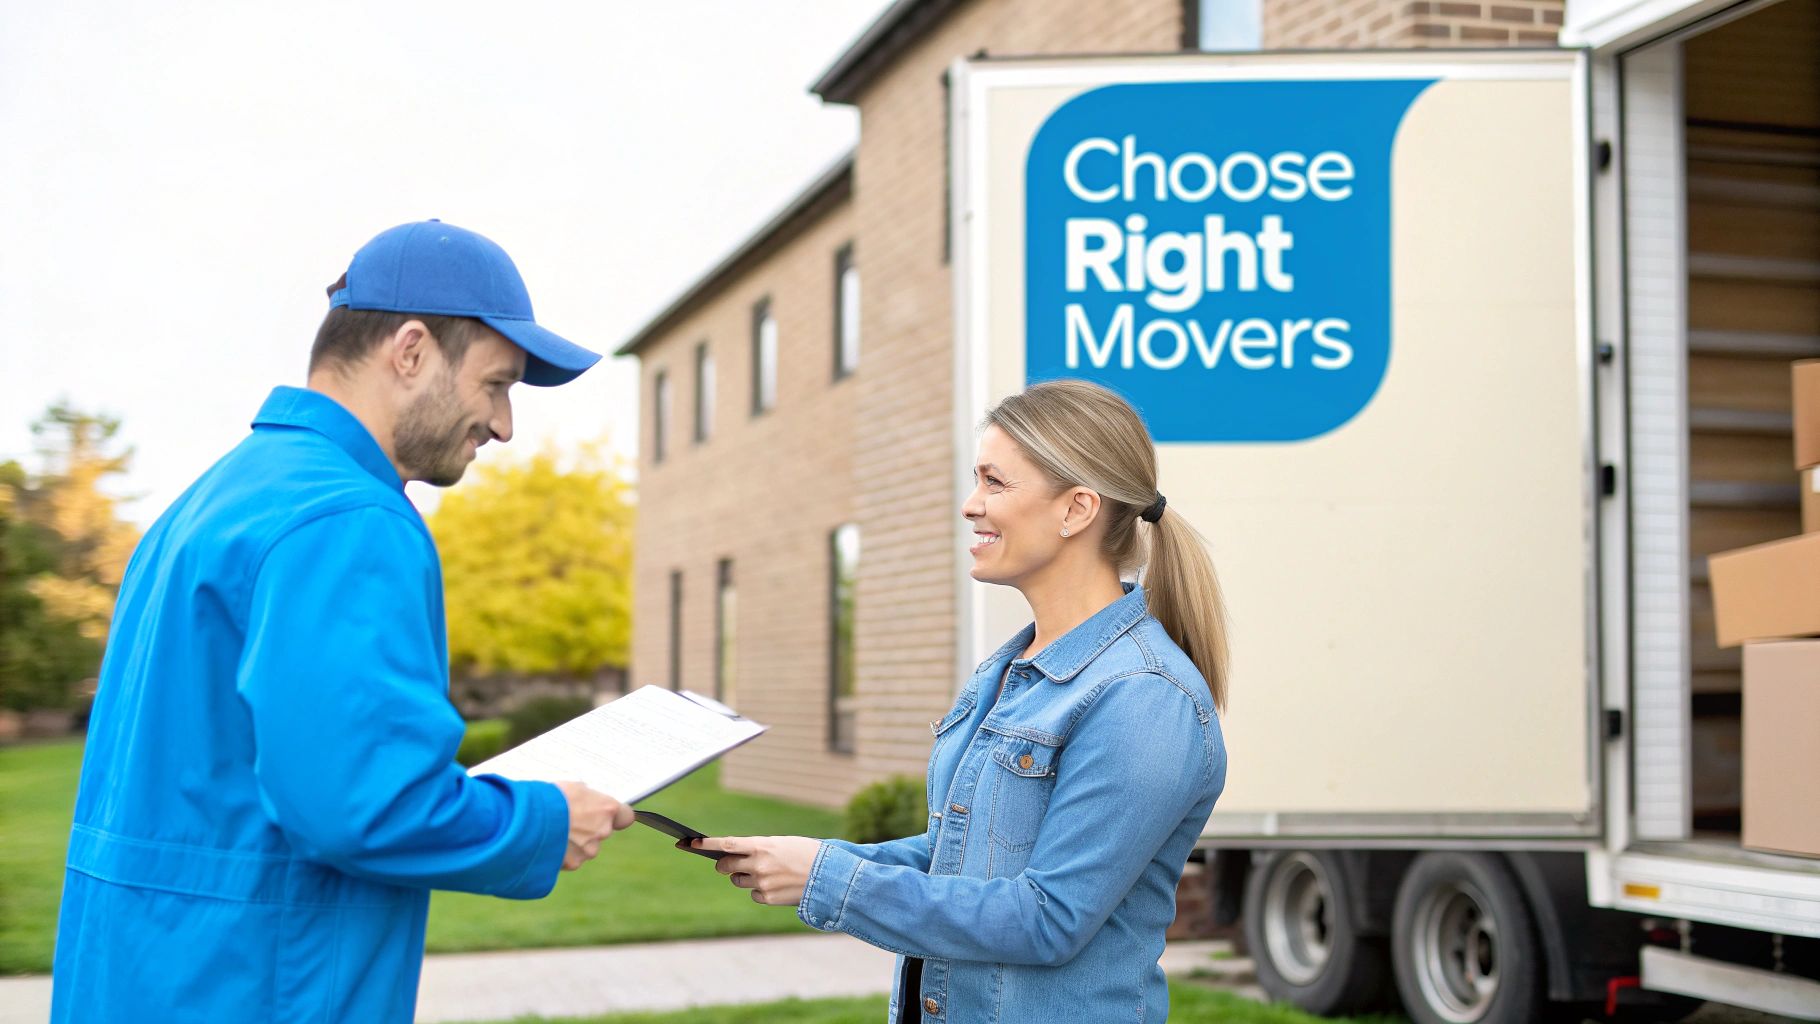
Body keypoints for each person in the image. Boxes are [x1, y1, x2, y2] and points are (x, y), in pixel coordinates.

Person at [50, 221, 634, 1022]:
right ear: (411, 350)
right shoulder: (350, 519)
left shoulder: (212, 500)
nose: (503, 425)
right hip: (257, 988)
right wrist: (543, 821)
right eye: (497, 385)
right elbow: (364, 807)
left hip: (143, 978)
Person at [697, 379, 1231, 1023]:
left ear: (1077, 510)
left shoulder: (1143, 698)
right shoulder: (1011, 670)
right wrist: (812, 858)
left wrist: (826, 880)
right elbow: (965, 855)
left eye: (995, 483)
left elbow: (1047, 919)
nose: (970, 505)